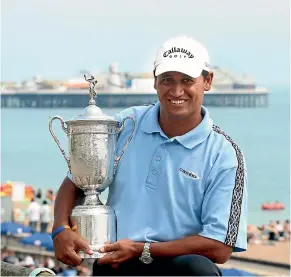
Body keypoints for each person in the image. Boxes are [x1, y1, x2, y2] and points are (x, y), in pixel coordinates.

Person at [52, 35, 248, 276]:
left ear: (207, 81)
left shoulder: (224, 153)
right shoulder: (126, 124)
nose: (177, 91)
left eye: (187, 80)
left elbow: (220, 248)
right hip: (118, 264)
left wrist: (141, 249)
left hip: (181, 268)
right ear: (155, 81)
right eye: (167, 79)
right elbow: (76, 180)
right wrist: (60, 229)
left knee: (199, 270)